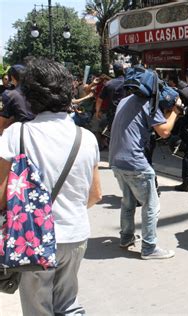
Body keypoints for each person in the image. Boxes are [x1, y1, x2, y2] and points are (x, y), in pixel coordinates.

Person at [0, 57, 102, 314]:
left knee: (38, 308)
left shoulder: (16, 134)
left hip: (30, 238)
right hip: (75, 234)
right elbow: (95, 195)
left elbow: (2, 196)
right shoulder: (86, 137)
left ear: (29, 95)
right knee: (68, 304)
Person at [108, 67, 182, 260]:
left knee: (128, 201)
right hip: (135, 162)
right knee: (151, 205)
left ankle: (126, 237)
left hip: (116, 159)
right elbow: (164, 132)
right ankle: (149, 247)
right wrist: (175, 111)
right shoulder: (148, 104)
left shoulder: (124, 100)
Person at [0, 65, 35, 134]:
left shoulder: (9, 94)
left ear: (12, 77)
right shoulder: (36, 91)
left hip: (22, 134)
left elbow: (1, 125)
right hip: (39, 130)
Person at [95, 62, 126, 133]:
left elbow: (99, 100)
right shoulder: (128, 83)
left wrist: (97, 112)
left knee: (112, 134)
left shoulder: (108, 84)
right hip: (126, 114)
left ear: (114, 71)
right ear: (123, 70)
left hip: (112, 115)